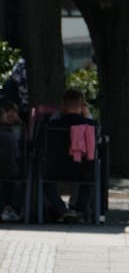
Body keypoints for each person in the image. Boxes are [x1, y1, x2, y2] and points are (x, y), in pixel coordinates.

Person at [40, 88, 99, 223]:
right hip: (82, 170)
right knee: (91, 174)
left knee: (45, 178)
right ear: (82, 105)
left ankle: (61, 209)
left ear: (64, 105)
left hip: (55, 170)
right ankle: (79, 209)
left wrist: (58, 114)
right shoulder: (90, 126)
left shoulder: (53, 125)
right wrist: (88, 116)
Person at [0, 100, 24, 222]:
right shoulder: (11, 134)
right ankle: (11, 208)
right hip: (12, 168)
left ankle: (8, 208)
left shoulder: (18, 130)